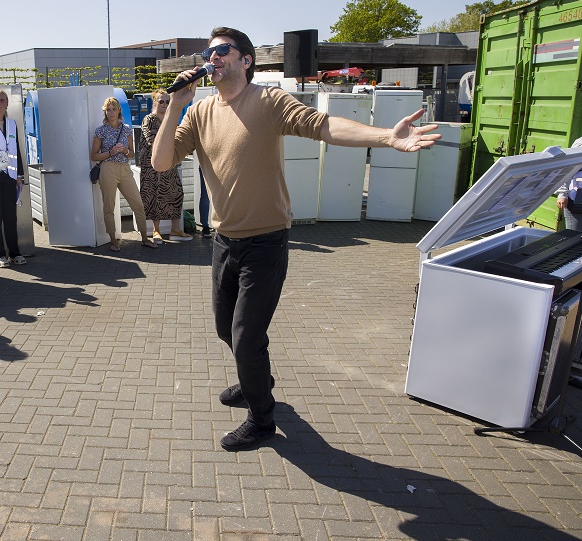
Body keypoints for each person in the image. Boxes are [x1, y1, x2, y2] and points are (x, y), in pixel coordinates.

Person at [152, 27, 439, 451]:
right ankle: (258, 378)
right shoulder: (199, 113)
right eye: (208, 52)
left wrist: (385, 137)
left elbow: (323, 126)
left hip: (266, 241)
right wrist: (176, 105)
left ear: (245, 60)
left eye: (222, 51)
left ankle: (262, 419)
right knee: (225, 329)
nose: (212, 58)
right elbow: (160, 163)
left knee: (247, 338)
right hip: (224, 241)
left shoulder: (268, 101)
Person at [91, 97, 157, 252]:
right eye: (108, 109)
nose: (111, 112)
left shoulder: (126, 129)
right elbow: (93, 156)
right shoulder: (100, 130)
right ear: (105, 112)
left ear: (119, 110)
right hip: (108, 168)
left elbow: (132, 153)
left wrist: (125, 150)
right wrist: (110, 152)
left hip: (124, 168)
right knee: (109, 206)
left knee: (138, 204)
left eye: (114, 109)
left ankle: (145, 238)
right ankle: (113, 241)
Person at [139, 89, 191, 244]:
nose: (164, 104)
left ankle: (175, 229)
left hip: (170, 165)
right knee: (155, 199)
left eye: (167, 101)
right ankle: (156, 231)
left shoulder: (171, 120)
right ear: (155, 102)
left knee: (176, 195)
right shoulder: (150, 119)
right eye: (161, 101)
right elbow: (152, 141)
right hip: (152, 167)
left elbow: (179, 139)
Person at [0, 89, 27, 267]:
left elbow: (16, 148)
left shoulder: (11, 123)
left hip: (9, 175)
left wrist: (20, 175)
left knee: (10, 216)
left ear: (7, 103)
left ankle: (14, 253)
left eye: (2, 100)